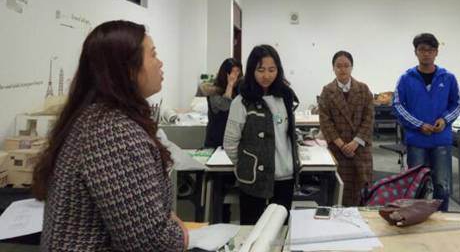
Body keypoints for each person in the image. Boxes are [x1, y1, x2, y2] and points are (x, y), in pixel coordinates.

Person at [32, 20, 188, 252]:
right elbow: (152, 245)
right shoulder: (113, 135)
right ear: (129, 70)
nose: (160, 63)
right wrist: (180, 235)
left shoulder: (100, 119)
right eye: (153, 55)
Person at [223, 45, 300, 225]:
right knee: (251, 228)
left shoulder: (285, 96)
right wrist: (246, 166)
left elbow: (288, 134)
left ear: (278, 70)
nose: (266, 75)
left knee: (280, 229)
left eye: (272, 70)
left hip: (285, 176)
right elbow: (230, 142)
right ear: (252, 70)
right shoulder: (241, 102)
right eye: (261, 70)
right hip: (254, 179)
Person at [393, 33, 460, 212]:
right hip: (416, 140)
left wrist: (445, 120)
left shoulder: (448, 78)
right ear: (415, 52)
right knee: (416, 185)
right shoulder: (406, 78)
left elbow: (457, 104)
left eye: (430, 50)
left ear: (436, 52)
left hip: (441, 140)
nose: (426, 54)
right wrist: (418, 124)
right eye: (422, 50)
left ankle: (441, 219)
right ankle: (416, 219)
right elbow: (398, 105)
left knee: (442, 186)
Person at [318, 50, 374, 206]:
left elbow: (369, 118)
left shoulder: (363, 89)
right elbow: (325, 121)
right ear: (333, 68)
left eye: (346, 65)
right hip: (338, 149)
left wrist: (355, 142)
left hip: (360, 148)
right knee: (339, 192)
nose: (342, 69)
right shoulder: (327, 91)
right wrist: (341, 145)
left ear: (352, 67)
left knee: (362, 191)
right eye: (338, 66)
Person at [198, 58, 243, 148]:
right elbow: (225, 106)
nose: (235, 75)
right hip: (216, 140)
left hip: (234, 140)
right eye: (232, 72)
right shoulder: (214, 91)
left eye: (237, 71)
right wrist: (230, 85)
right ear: (225, 73)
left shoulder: (239, 89)